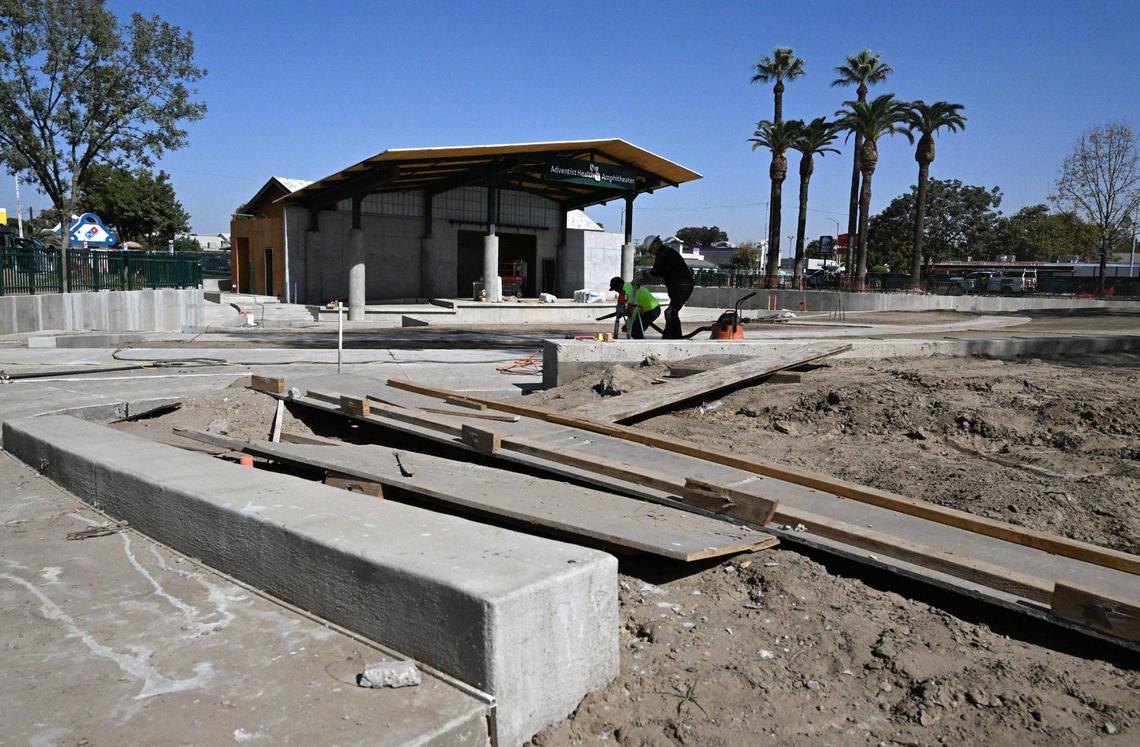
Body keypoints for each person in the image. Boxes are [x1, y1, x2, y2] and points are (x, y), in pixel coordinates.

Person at [635, 236, 694, 339]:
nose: (652, 253)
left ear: (655, 245)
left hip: (682, 286)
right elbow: (657, 273)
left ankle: (673, 336)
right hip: (680, 286)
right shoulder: (666, 252)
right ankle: (672, 335)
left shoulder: (662, 254)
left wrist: (639, 281)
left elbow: (653, 275)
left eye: (651, 250)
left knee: (670, 312)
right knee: (672, 312)